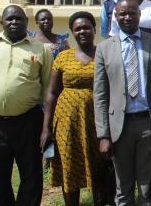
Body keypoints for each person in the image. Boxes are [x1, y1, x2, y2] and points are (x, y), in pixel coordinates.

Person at [0, 5, 52, 206]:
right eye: (10, 19)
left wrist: (47, 126)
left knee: (31, 176)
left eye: (19, 19)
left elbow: (48, 89)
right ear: (2, 23)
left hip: (28, 122)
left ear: (26, 22)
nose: (14, 22)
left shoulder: (40, 49)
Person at [94, 0, 151, 205]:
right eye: (122, 13)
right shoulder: (104, 48)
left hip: (148, 124)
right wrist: (103, 134)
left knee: (145, 188)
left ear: (140, 15)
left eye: (132, 12)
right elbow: (100, 95)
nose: (127, 17)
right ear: (115, 17)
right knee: (122, 188)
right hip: (119, 127)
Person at [40, 11, 108, 206]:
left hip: (97, 120)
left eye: (86, 27)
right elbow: (52, 93)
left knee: (100, 165)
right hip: (67, 122)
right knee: (69, 167)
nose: (82, 31)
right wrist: (46, 128)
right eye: (77, 29)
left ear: (95, 30)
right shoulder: (63, 57)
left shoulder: (104, 53)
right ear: (72, 32)